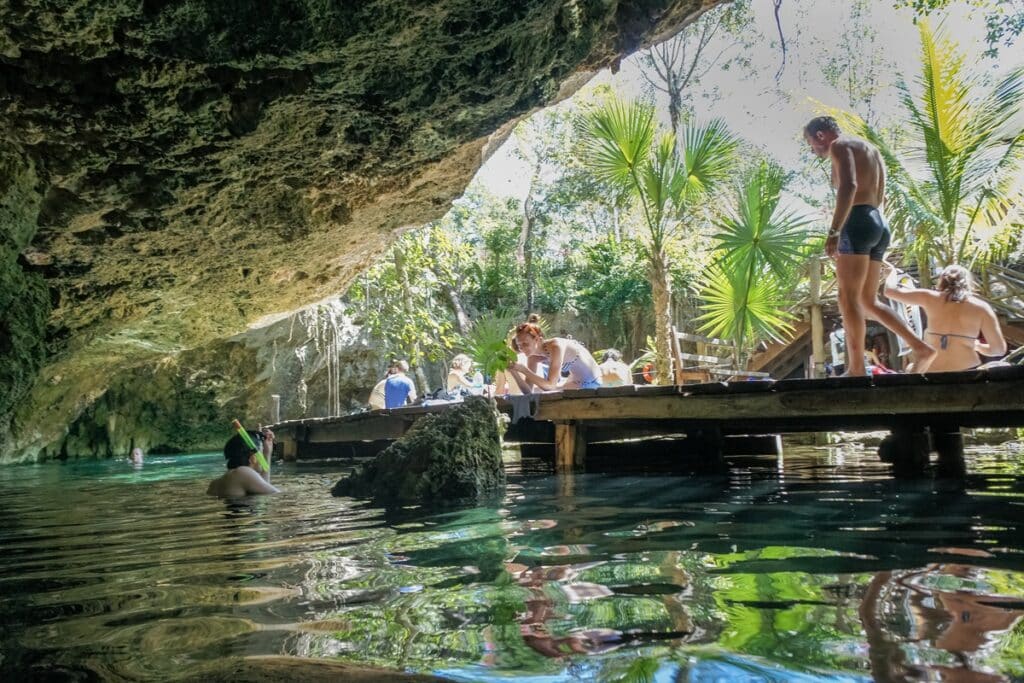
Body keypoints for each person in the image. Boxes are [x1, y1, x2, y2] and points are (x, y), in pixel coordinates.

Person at [803, 116, 935, 375]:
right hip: (878, 223)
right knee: (868, 300)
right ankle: (920, 347)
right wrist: (873, 238)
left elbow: (849, 186)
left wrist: (835, 231)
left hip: (857, 220)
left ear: (821, 135)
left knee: (847, 298)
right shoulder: (871, 150)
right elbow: (881, 195)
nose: (813, 149)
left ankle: (855, 369)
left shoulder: (840, 146)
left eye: (811, 142)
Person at [883, 264, 1007, 372]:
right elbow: (999, 350)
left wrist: (891, 274)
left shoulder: (929, 297)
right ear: (968, 283)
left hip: (932, 371)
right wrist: (977, 346)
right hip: (967, 371)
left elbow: (889, 292)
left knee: (910, 368)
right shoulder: (982, 308)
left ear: (941, 281)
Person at [508, 316, 602, 391]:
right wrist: (514, 371)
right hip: (574, 382)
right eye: (519, 346)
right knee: (537, 391)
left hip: (592, 383)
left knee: (545, 392)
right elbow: (528, 391)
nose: (522, 349)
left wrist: (524, 370)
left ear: (537, 339)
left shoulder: (556, 346)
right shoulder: (532, 357)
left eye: (525, 344)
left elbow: (550, 385)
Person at [207, 431, 279, 497]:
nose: (262, 457)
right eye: (261, 452)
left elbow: (264, 489)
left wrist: (267, 454)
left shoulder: (215, 483)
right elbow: (275, 493)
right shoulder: (242, 472)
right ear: (253, 458)